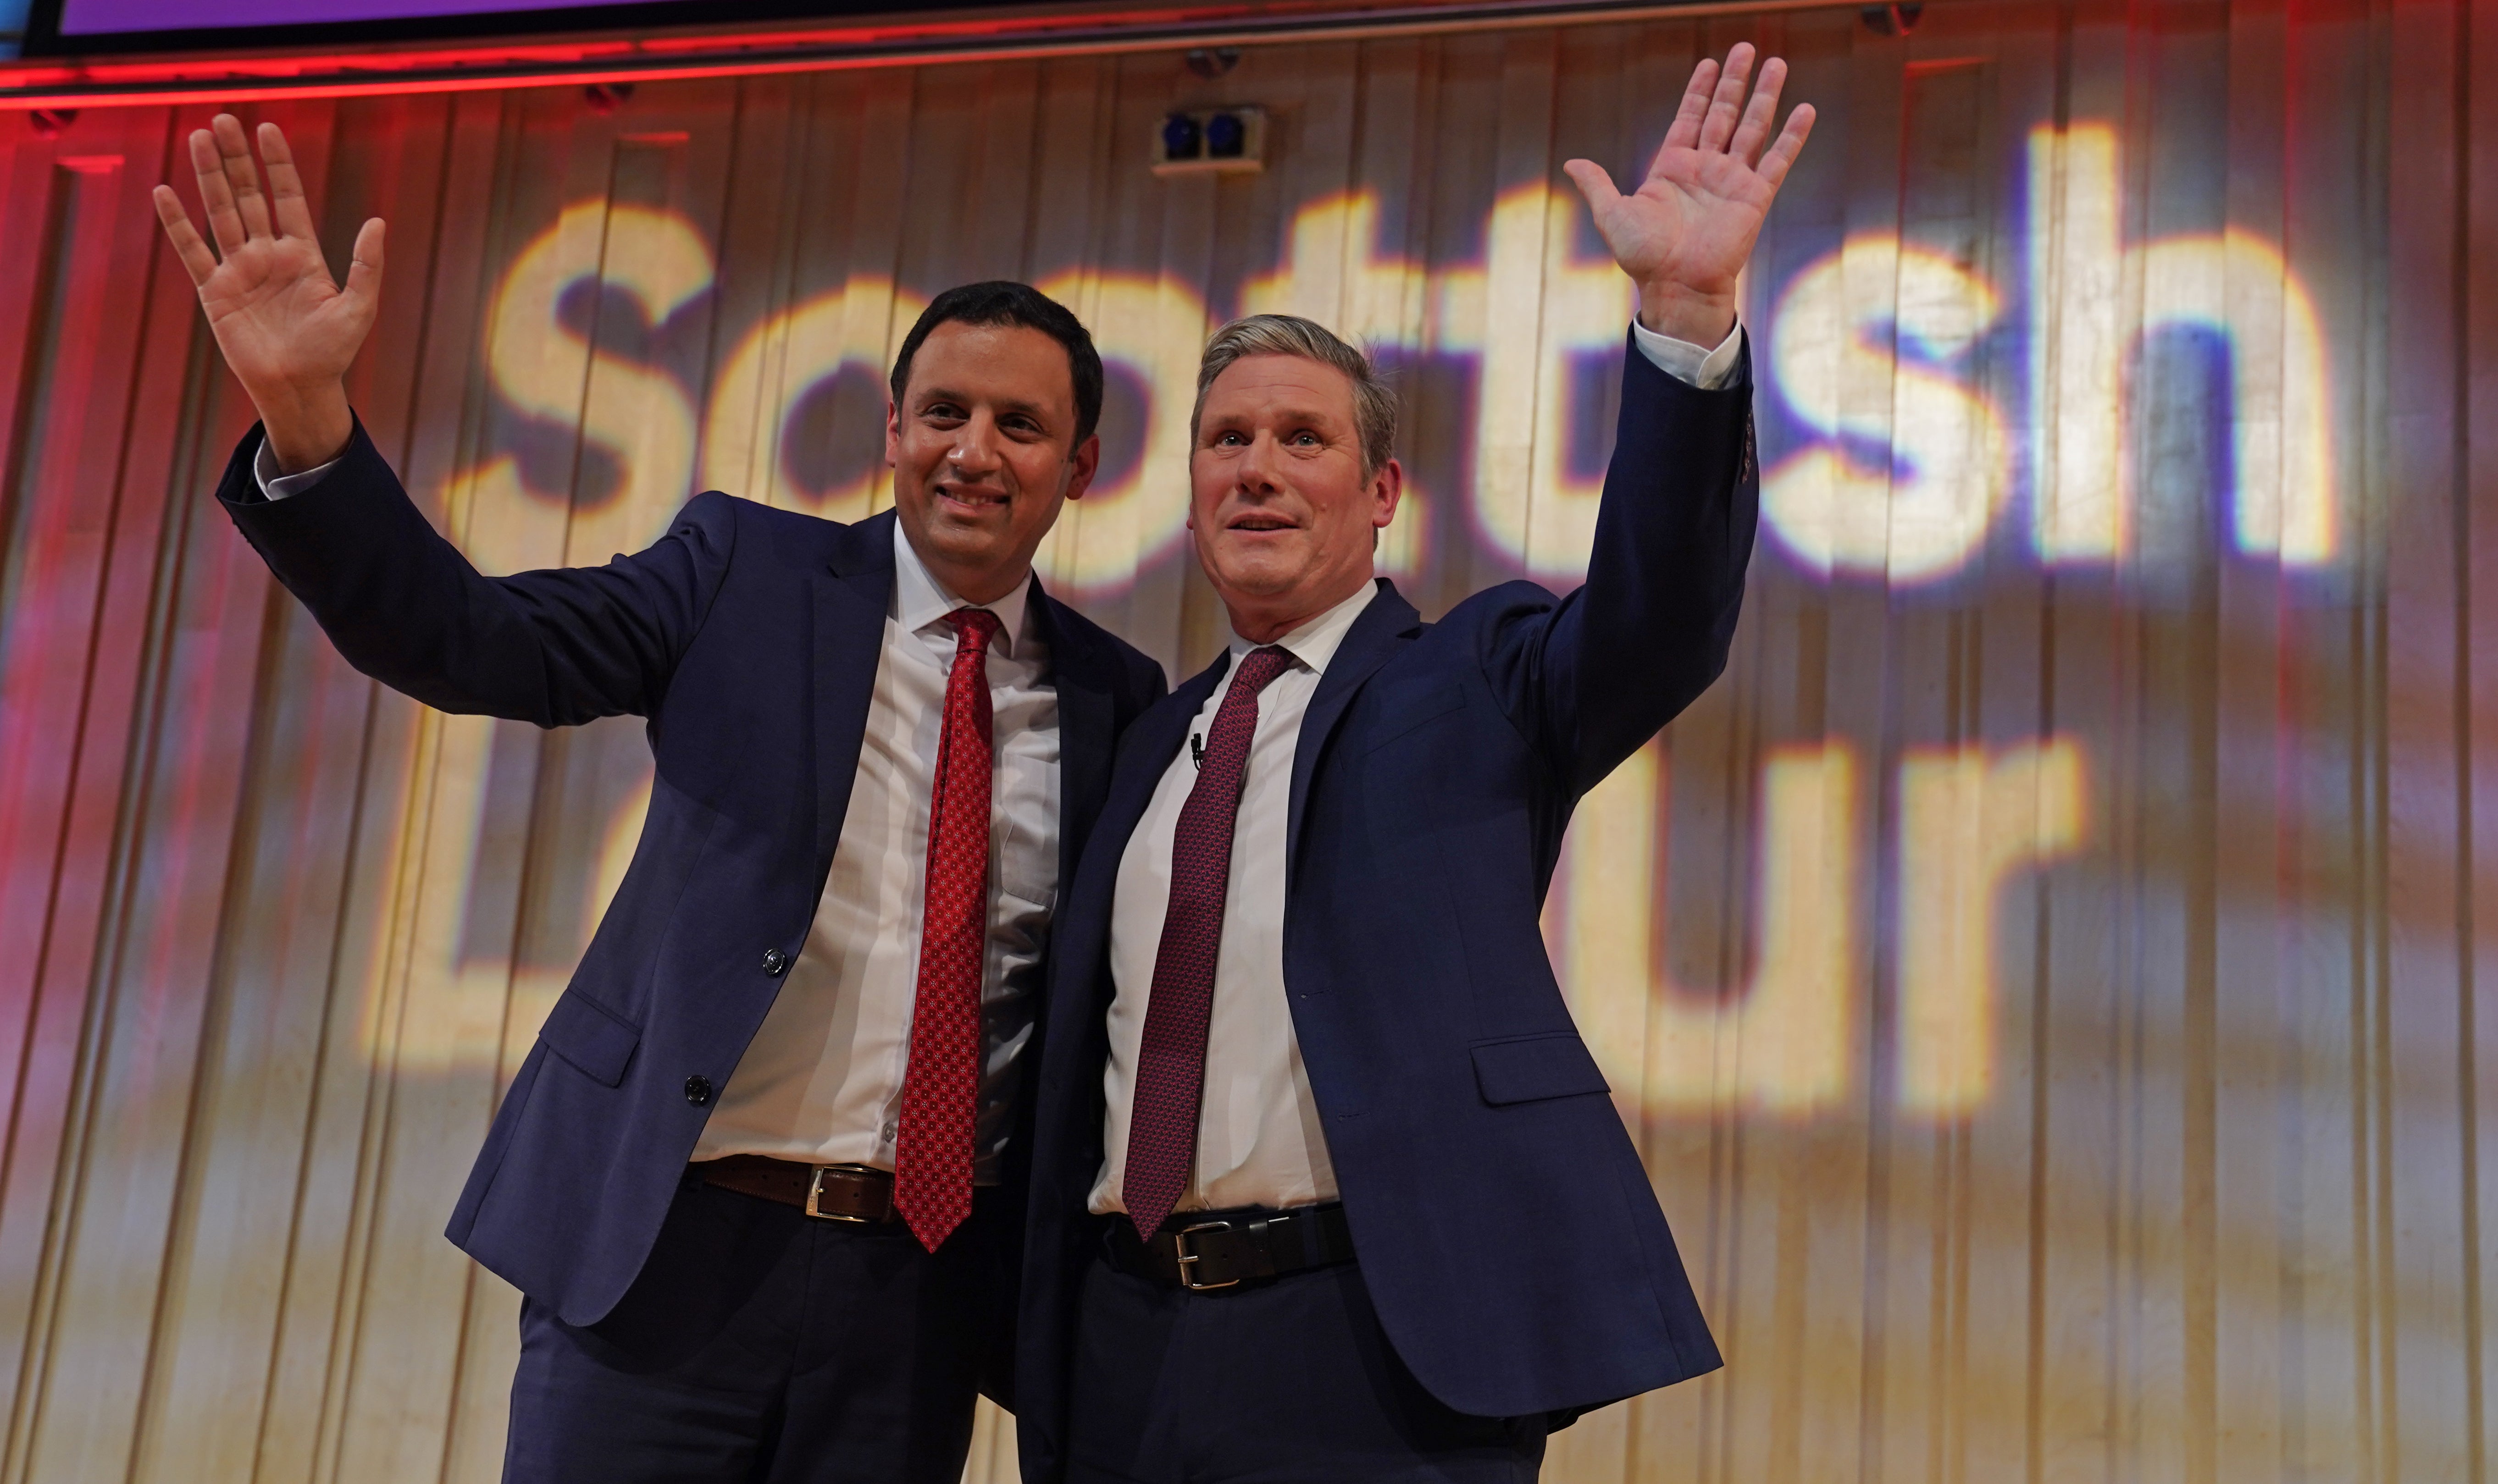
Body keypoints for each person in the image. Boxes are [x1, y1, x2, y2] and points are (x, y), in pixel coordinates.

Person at [153, 119, 1166, 1483]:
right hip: (666, 1253)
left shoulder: (1117, 694)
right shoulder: (741, 571)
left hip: (914, 1295)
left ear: (1082, 466)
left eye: (1020, 424)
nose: (974, 451)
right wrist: (310, 421)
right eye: (944, 414)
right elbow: (471, 641)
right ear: (893, 432)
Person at [1012, 42, 1813, 1483]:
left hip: (1380, 1347)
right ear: (1190, 497)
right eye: (1227, 441)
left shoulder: (1481, 676)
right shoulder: (1142, 739)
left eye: (1302, 439)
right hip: (1123, 1347)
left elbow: (1660, 620)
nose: (1258, 467)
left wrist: (1686, 318)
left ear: (1381, 494)